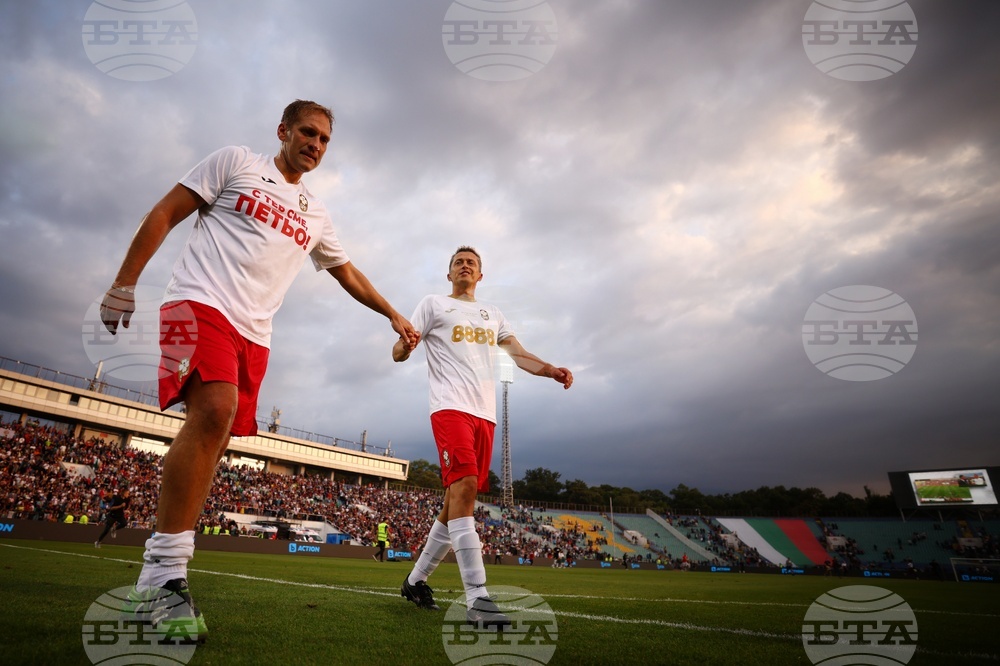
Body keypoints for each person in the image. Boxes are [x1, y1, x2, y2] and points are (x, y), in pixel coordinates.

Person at [99, 100, 419, 643]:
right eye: (307, 133)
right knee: (215, 410)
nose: (315, 145)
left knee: (217, 430)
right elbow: (164, 213)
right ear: (283, 131)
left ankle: (158, 578)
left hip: (255, 335)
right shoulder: (236, 162)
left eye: (324, 140)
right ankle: (162, 578)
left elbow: (348, 273)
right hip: (193, 305)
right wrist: (124, 281)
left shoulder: (315, 213)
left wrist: (391, 312)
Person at [393, 246, 572, 628]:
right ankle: (478, 599)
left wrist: (550, 370)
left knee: (455, 499)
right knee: (467, 486)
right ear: (449, 274)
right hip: (450, 408)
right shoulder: (433, 304)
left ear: (480, 275)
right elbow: (399, 350)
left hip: (484, 416)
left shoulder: (493, 314)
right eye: (458, 262)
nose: (465, 266)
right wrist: (404, 346)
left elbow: (519, 355)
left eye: (471, 263)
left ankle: (415, 581)